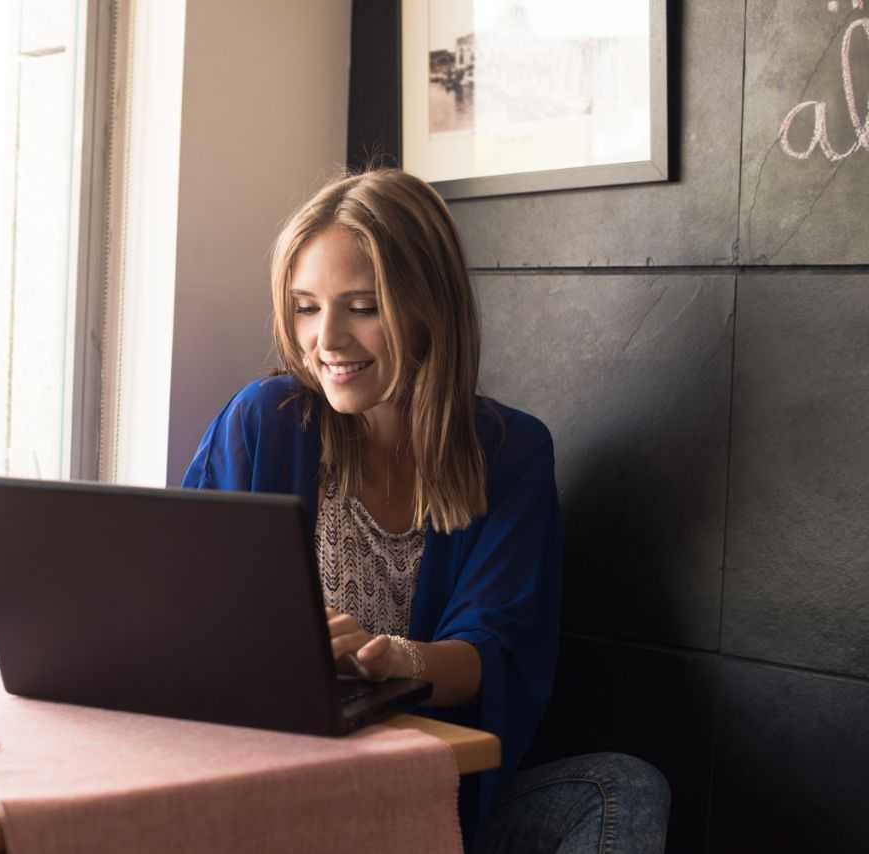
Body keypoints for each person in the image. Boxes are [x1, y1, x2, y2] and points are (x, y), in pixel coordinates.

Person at [181, 168, 671, 852]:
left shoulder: (509, 453)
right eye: (305, 306)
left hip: (422, 791)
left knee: (619, 790)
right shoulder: (266, 423)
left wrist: (396, 661)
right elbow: (189, 609)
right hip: (276, 784)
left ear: (426, 308)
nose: (327, 340)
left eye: (361, 306)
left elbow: (495, 651)